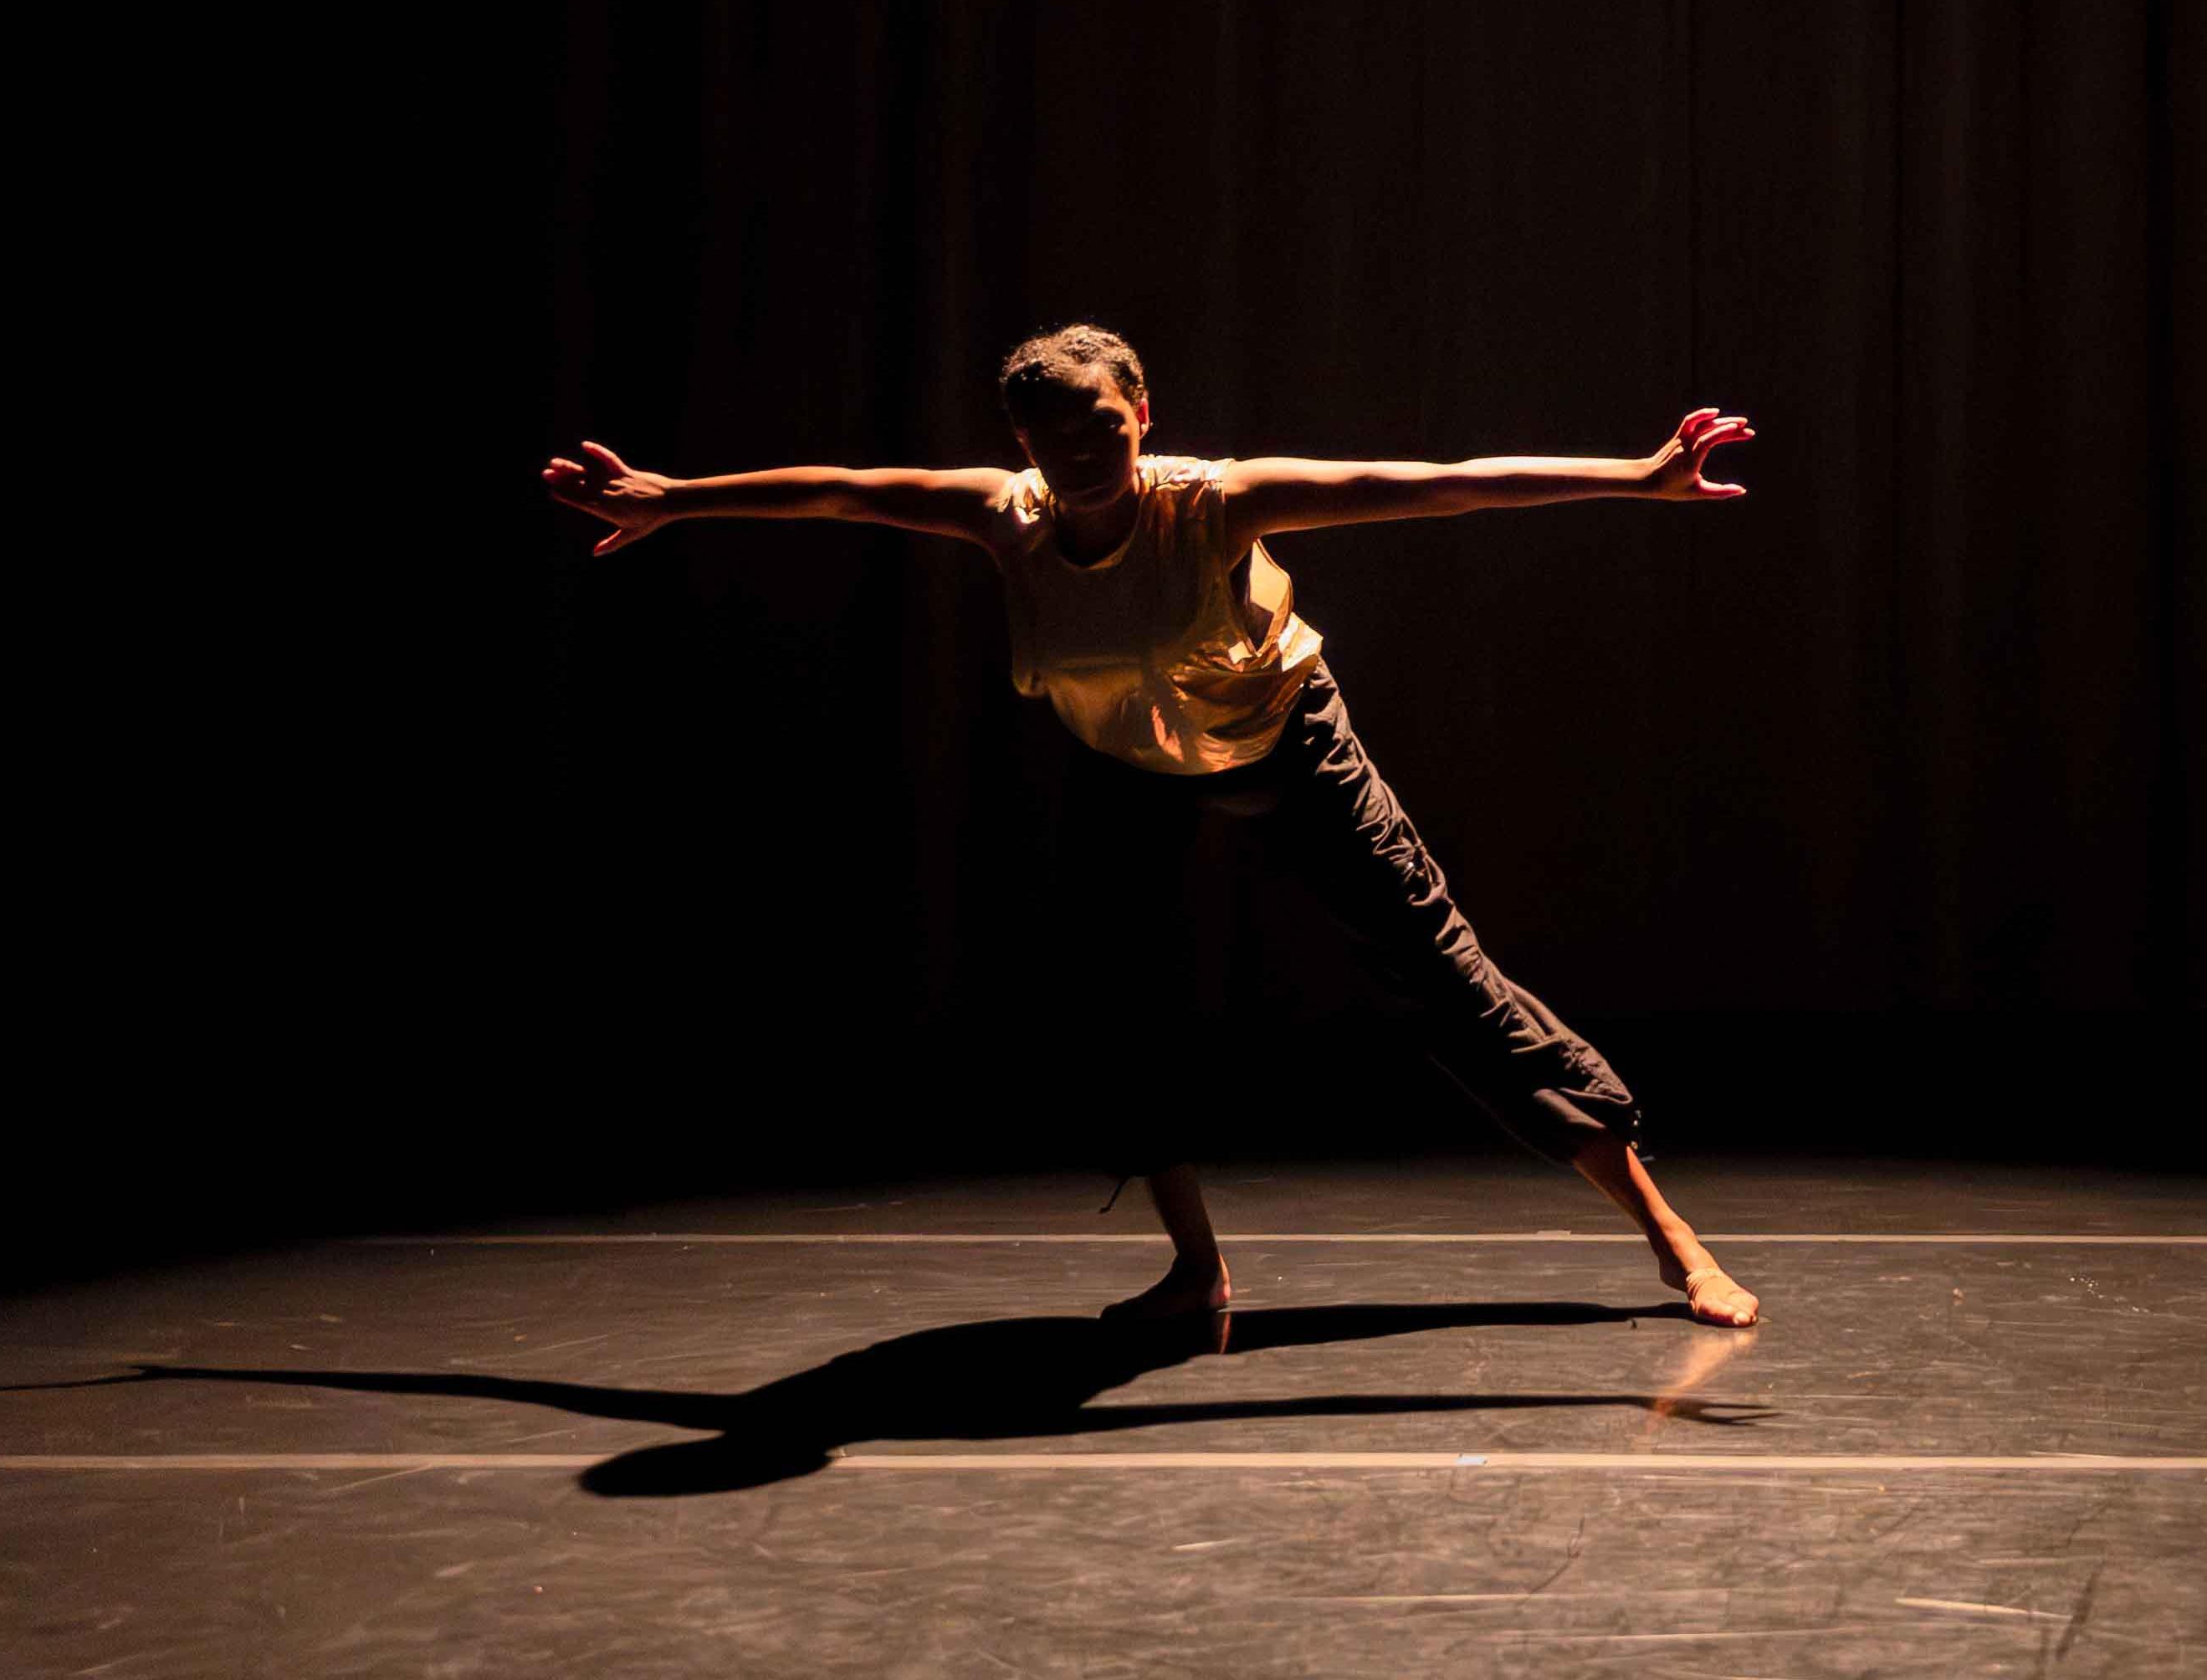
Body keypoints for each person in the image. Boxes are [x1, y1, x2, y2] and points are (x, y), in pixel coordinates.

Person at [539, 322, 1762, 1339]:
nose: (1078, 457)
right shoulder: (1002, 516)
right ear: (1019, 445)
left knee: (1446, 979)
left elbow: (1438, 486)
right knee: (1116, 1006)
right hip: (1128, 764)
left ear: (1141, 412)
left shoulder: (1214, 504)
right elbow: (841, 493)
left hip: (1290, 744)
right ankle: (1196, 1274)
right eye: (1050, 438)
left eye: (1102, 429)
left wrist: (1634, 475)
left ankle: (1670, 1241)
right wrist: (676, 501)